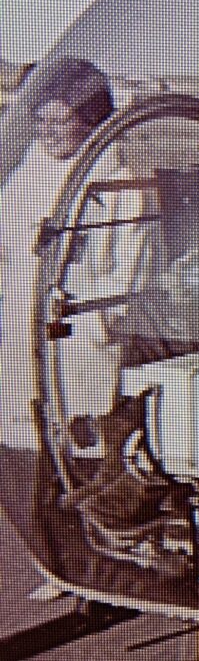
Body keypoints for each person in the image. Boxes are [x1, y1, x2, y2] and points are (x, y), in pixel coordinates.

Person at [0, 58, 146, 450]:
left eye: (61, 122)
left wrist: (85, 319)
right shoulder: (24, 181)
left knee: (80, 456)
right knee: (22, 452)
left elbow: (127, 280)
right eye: (42, 122)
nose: (48, 133)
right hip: (20, 337)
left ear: (91, 122)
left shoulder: (121, 186)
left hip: (80, 345)